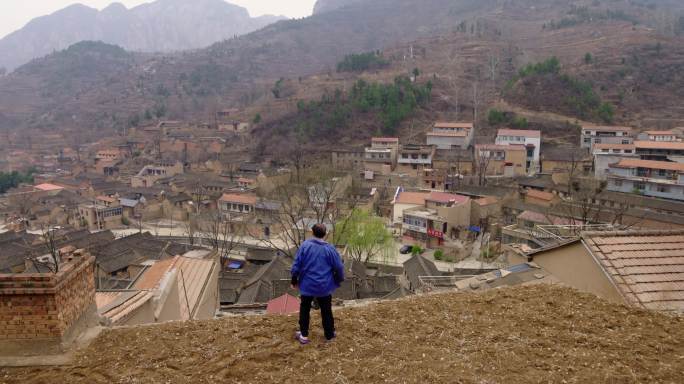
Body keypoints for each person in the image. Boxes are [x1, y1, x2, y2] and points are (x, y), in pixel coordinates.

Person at [291, 223, 345, 345]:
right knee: (326, 310)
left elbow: (296, 266)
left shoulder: (305, 246)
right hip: (324, 286)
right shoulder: (330, 249)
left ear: (312, 232)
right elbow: (339, 267)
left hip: (307, 286)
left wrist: (294, 281)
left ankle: (304, 335)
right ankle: (329, 335)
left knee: (304, 309)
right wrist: (339, 279)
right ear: (325, 234)